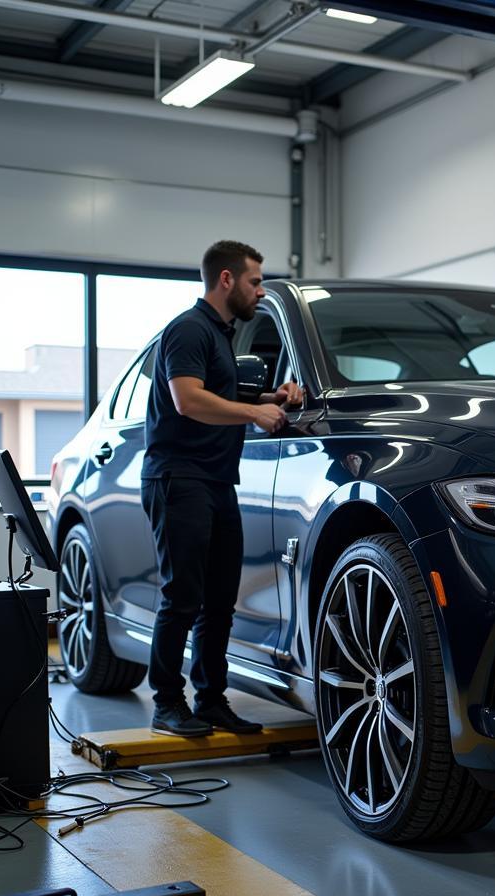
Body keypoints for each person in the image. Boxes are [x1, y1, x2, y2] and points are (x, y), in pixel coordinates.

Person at [140, 240, 304, 737]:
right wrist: (255, 412)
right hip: (179, 478)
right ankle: (168, 703)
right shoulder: (189, 330)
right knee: (182, 596)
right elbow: (188, 400)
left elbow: (220, 391)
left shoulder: (220, 335)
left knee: (218, 600)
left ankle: (211, 700)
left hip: (215, 481)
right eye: (255, 281)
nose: (260, 290)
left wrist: (272, 396)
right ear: (227, 280)